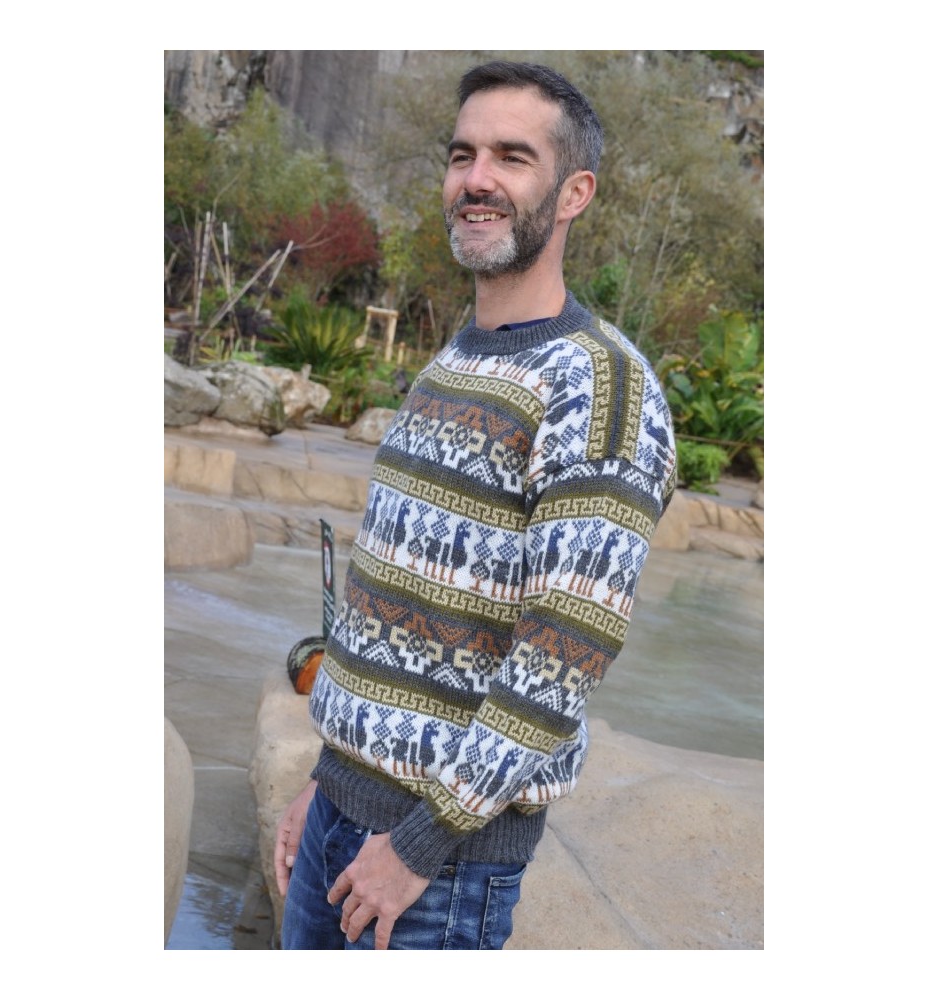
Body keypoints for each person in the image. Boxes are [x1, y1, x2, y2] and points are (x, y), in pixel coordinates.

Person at [274, 60, 677, 951]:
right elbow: (381, 614)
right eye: (462, 155)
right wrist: (325, 778)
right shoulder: (455, 359)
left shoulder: (598, 387)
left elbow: (562, 658)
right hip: (338, 821)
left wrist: (418, 846)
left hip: (435, 874)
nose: (476, 179)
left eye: (511, 157)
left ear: (574, 193)